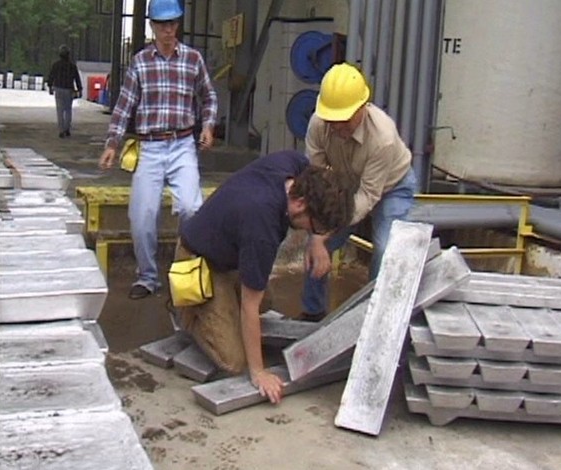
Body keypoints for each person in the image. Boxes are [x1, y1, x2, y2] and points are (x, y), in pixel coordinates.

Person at [176, 150, 353, 404]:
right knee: (234, 359)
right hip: (198, 260)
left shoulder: (293, 165)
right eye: (312, 228)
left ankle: (220, 302)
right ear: (301, 204)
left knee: (266, 303)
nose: (308, 233)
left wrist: (317, 240)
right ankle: (186, 309)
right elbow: (249, 305)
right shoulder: (262, 226)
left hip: (229, 250)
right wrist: (258, 372)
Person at [99, 0, 217, 300]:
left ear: (178, 24)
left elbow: (209, 97)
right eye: (163, 25)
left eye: (173, 24)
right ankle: (148, 277)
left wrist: (208, 126)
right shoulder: (140, 63)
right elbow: (124, 106)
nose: (168, 30)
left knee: (192, 208)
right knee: (142, 216)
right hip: (150, 147)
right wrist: (112, 143)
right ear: (152, 26)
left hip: (182, 145)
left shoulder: (192, 60)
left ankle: (185, 273)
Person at [301, 62, 417, 321]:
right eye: (334, 119)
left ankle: (374, 319)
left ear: (362, 108)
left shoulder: (383, 137)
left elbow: (367, 198)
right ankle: (312, 315)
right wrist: (318, 235)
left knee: (386, 249)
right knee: (316, 244)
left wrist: (321, 233)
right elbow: (316, 182)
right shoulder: (318, 125)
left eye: (345, 119)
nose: (339, 126)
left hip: (391, 187)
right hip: (347, 183)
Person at [47, 45, 83, 138]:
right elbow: (77, 78)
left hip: (58, 88)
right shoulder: (72, 66)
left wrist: (50, 86)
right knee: (68, 110)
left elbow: (51, 76)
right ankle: (67, 129)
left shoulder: (56, 65)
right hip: (68, 89)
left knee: (60, 110)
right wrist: (79, 89)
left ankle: (61, 130)